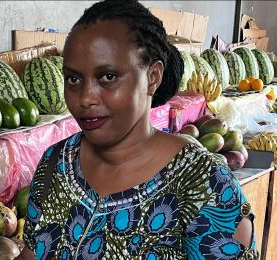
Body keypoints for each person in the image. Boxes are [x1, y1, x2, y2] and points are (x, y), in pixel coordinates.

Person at [17, 0, 258, 259]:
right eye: (74, 79)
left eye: (108, 77)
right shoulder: (54, 164)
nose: (86, 97)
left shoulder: (205, 186)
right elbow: (32, 253)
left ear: (152, 77)